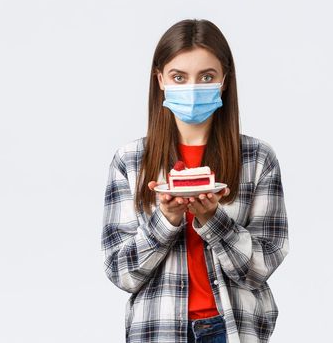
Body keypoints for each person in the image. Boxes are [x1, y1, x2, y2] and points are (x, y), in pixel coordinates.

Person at [101, 19, 289, 343]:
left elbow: (262, 265)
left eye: (206, 76)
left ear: (224, 81)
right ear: (160, 79)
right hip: (157, 329)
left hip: (231, 329)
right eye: (178, 77)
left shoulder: (257, 159)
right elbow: (121, 271)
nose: (192, 88)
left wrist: (213, 219)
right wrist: (167, 219)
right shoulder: (130, 162)